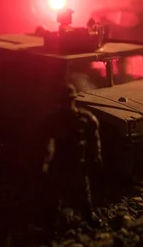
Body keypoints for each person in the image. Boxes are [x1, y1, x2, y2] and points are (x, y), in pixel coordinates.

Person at [42, 84, 103, 229]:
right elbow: (47, 142)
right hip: (60, 161)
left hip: (77, 161)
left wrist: (96, 155)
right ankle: (52, 221)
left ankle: (88, 217)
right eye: (64, 101)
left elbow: (94, 138)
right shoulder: (53, 120)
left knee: (83, 191)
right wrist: (45, 162)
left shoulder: (85, 118)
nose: (67, 104)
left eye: (69, 100)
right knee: (55, 193)